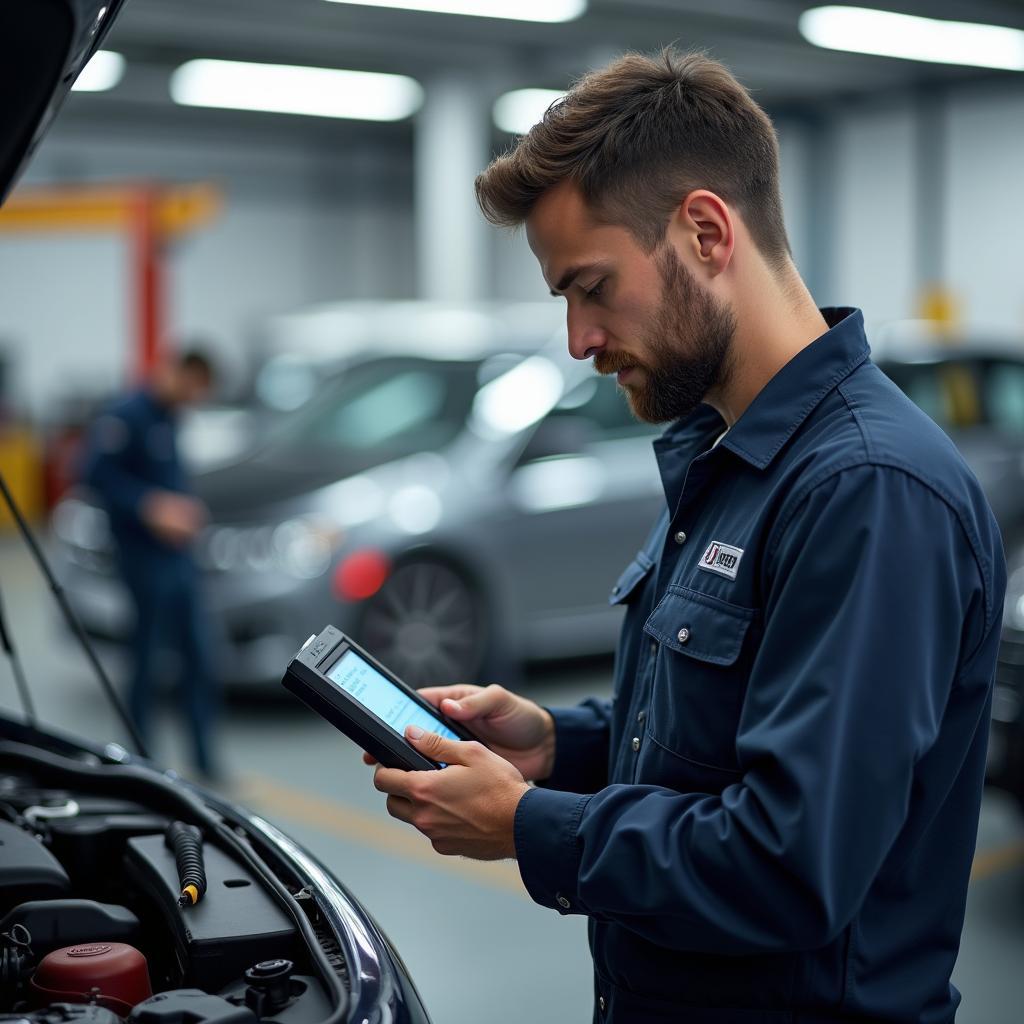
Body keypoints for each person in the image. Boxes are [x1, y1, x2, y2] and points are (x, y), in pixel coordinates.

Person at [365, 49, 1005, 1023]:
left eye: (591, 286)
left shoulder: (869, 491)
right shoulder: (728, 456)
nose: (578, 341)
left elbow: (790, 863)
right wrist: (563, 747)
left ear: (706, 231)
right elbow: (730, 730)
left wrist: (534, 827)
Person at [81, 349, 220, 780]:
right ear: (179, 373)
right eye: (194, 387)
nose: (194, 398)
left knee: (198, 655)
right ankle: (141, 763)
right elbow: (92, 474)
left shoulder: (170, 416)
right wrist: (150, 506)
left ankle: (205, 762)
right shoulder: (127, 415)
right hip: (142, 558)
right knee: (144, 660)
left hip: (177, 558)